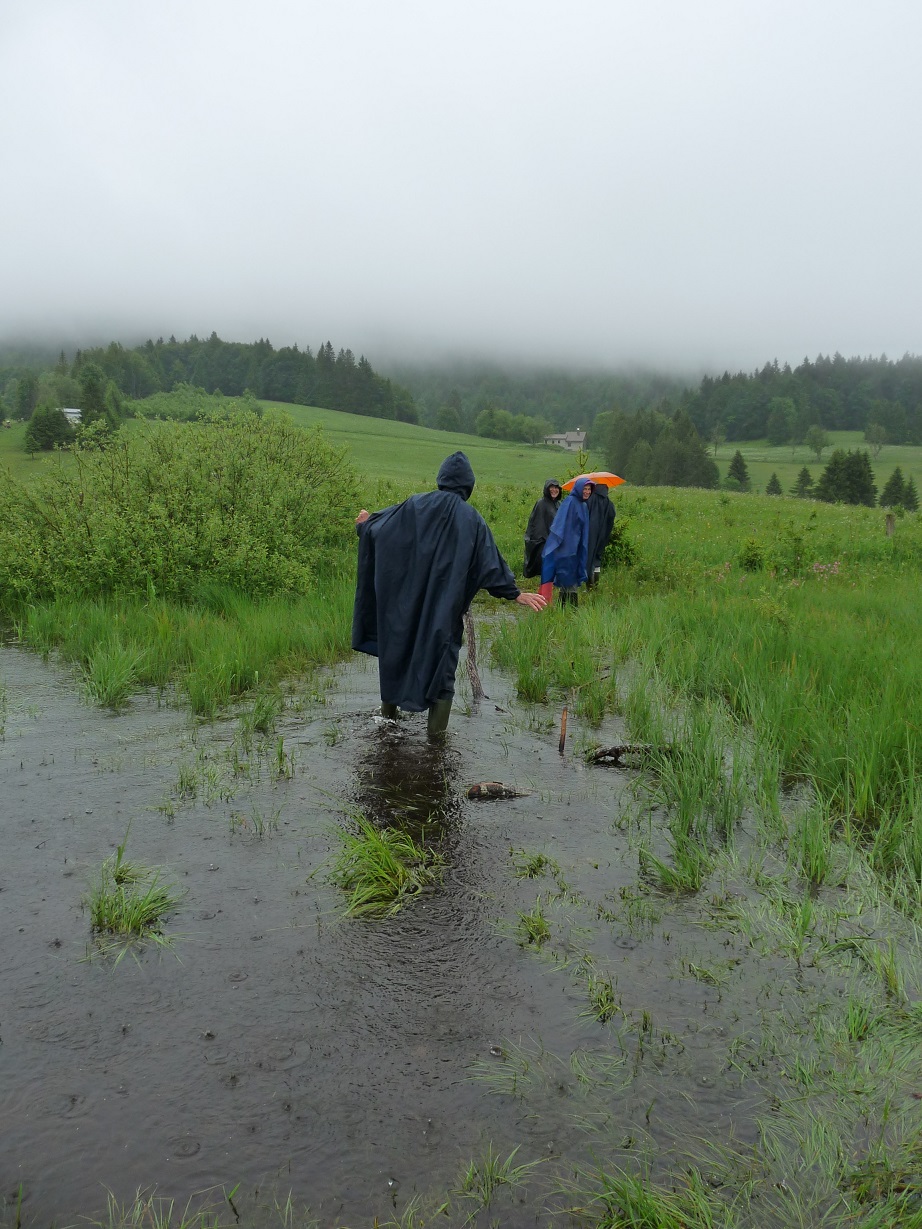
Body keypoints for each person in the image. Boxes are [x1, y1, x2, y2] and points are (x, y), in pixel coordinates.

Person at [352, 452, 546, 738]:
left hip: (406, 609)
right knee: (442, 672)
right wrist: (514, 593)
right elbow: (489, 563)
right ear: (469, 485)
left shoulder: (414, 505)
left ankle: (387, 725)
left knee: (397, 656)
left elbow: (381, 530)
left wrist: (364, 525)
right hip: (443, 613)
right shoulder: (473, 520)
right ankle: (436, 745)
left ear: (441, 479)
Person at [540, 476, 593, 606]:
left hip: (577, 548)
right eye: (585, 489)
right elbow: (559, 527)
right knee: (568, 578)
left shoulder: (583, 505)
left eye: (589, 489)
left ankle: (564, 610)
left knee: (571, 579)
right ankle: (570, 610)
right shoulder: (570, 502)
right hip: (567, 549)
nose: (587, 492)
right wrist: (565, 548)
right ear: (579, 489)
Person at [523, 479, 562, 578]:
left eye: (556, 487)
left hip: (556, 544)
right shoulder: (541, 503)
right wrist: (546, 543)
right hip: (545, 544)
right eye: (551, 487)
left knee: (552, 574)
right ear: (547, 489)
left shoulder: (558, 504)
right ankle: (545, 593)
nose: (554, 490)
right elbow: (537, 525)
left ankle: (547, 593)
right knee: (546, 573)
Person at [586, 481, 616, 588]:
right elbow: (612, 517)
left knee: (588, 558)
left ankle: (589, 586)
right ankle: (596, 586)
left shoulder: (590, 500)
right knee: (598, 557)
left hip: (589, 534)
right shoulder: (609, 502)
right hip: (603, 535)